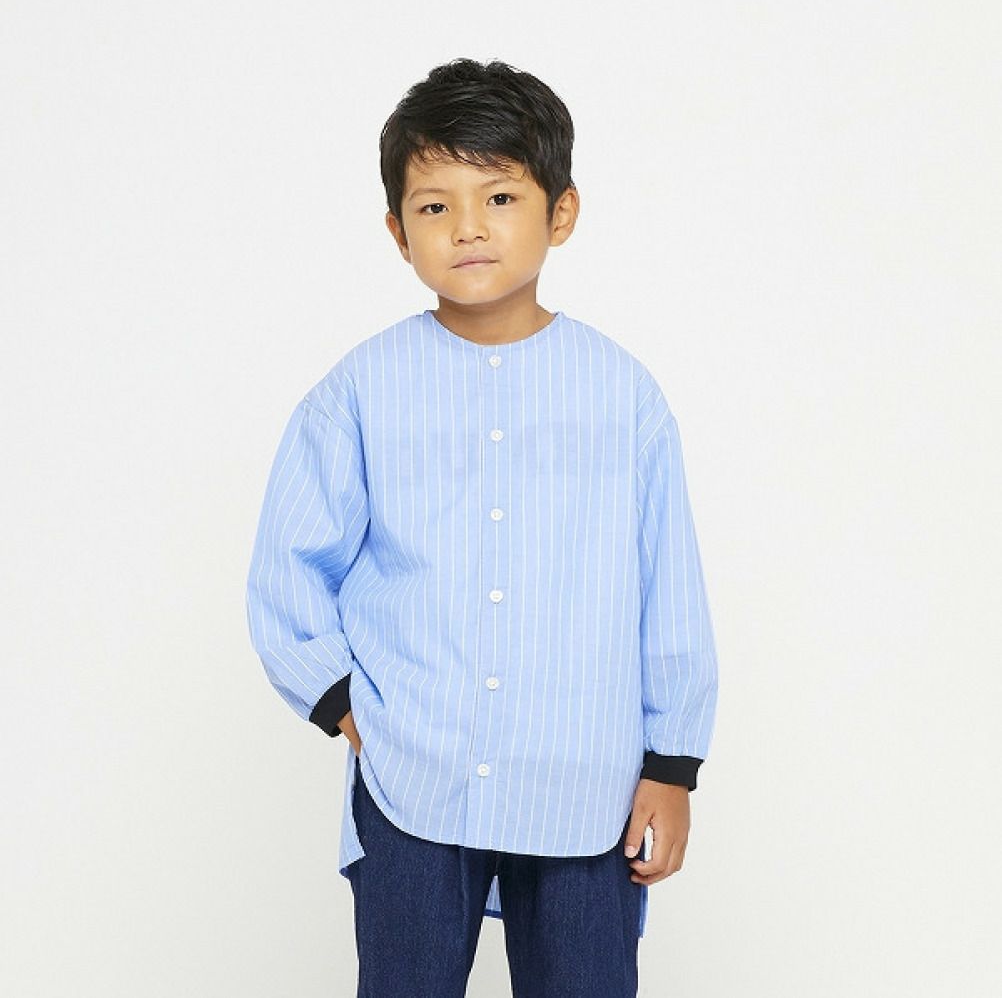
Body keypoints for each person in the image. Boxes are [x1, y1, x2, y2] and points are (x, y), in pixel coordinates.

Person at [245, 57, 718, 998]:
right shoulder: (359, 392)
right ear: (397, 231)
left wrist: (671, 766)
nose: (467, 227)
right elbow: (288, 565)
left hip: (584, 782)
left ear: (561, 212)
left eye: (499, 196)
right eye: (434, 206)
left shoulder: (620, 395)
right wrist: (344, 704)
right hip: (414, 780)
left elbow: (668, 585)